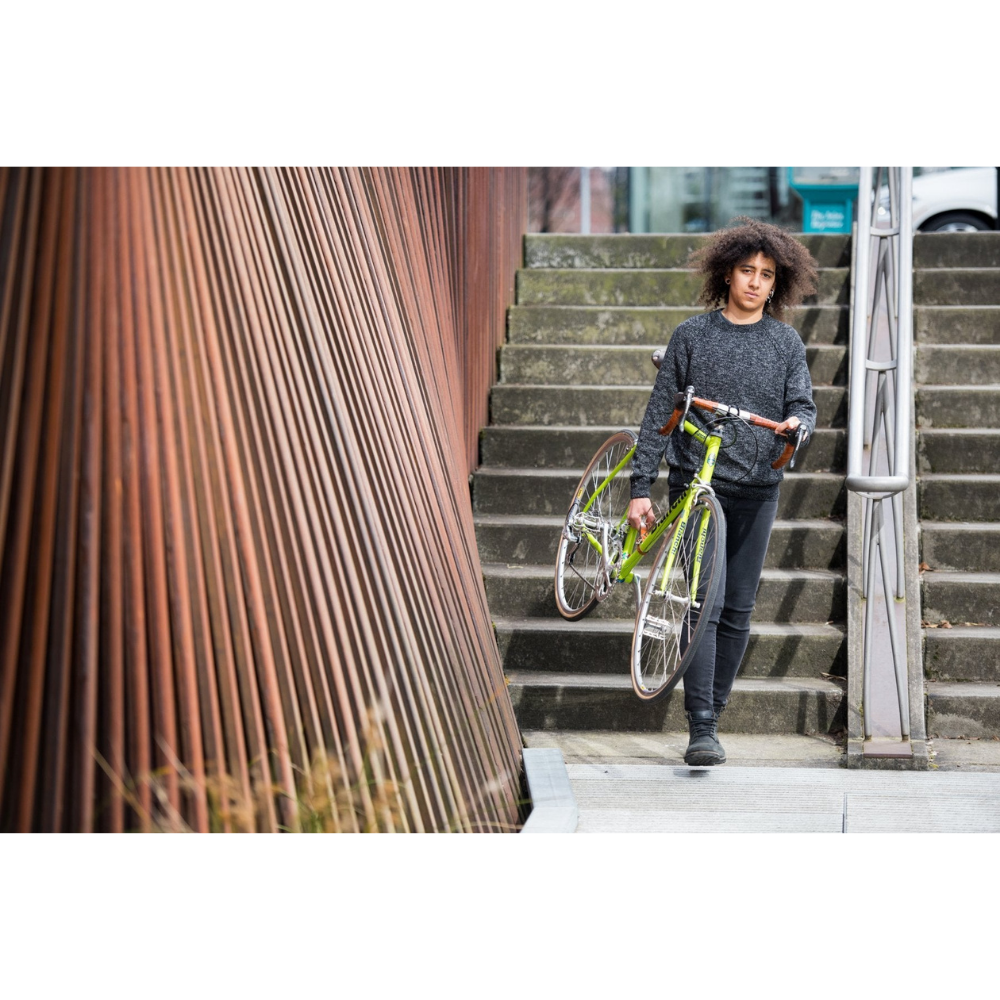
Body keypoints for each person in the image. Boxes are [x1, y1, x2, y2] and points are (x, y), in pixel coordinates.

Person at [627, 217, 819, 767]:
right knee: (702, 605)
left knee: (738, 609)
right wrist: (642, 487)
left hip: (758, 490)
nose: (755, 282)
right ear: (726, 273)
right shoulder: (691, 335)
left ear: (777, 282)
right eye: (746, 271)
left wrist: (795, 426)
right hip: (697, 486)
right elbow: (657, 417)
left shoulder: (785, 343)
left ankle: (715, 706)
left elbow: (802, 405)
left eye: (766, 274)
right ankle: (702, 728)